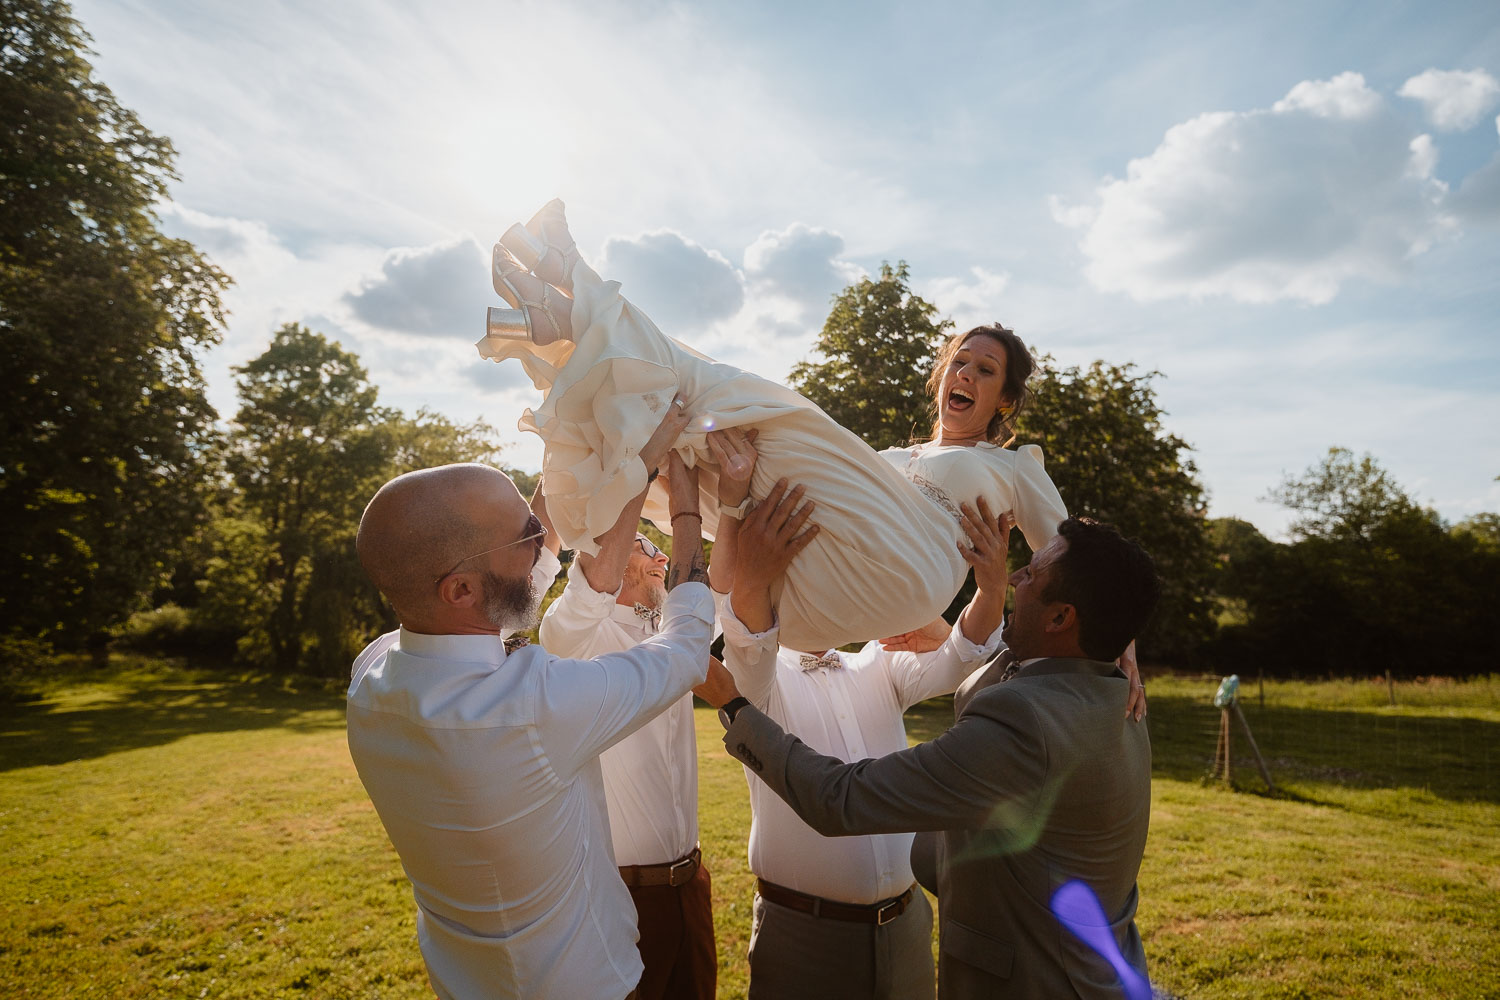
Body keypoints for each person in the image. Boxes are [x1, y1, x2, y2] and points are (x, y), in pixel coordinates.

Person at [475, 199, 1068, 653]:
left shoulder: (1012, 467)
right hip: (812, 590)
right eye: (958, 362)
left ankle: (566, 293)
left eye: (984, 370)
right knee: (696, 444)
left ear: (1005, 399)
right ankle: (563, 313)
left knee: (753, 407)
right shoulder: (888, 459)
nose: (964, 375)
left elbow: (1078, 562)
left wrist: (1121, 652)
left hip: (905, 565)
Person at [346, 401, 716, 1000]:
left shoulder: (374, 677)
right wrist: (685, 510)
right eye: (528, 538)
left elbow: (522, 583)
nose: (548, 546)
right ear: (460, 588)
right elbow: (684, 652)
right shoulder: (531, 709)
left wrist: (588, 448)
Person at [715, 515, 1160, 1000]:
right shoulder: (1114, 693)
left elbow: (837, 798)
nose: (1015, 579)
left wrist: (733, 706)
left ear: (1060, 618)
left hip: (1036, 980)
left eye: (1030, 574)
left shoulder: (1027, 722)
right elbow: (988, 684)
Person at [706, 433, 1014, 999]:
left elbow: (958, 660)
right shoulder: (763, 685)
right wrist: (750, 571)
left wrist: (990, 588)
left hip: (907, 927)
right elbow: (747, 643)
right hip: (803, 937)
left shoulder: (876, 664)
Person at [535, 472, 720, 999]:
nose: (659, 554)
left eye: (659, 550)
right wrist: (637, 462)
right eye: (643, 544)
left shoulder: (673, 636)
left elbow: (710, 589)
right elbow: (597, 573)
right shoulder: (572, 633)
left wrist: (705, 499)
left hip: (691, 886)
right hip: (618, 895)